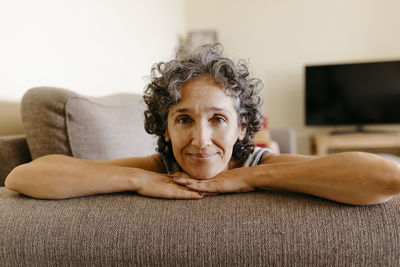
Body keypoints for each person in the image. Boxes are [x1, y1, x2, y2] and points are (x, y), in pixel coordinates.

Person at [5, 44, 400, 205]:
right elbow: (23, 177)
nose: (201, 140)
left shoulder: (257, 163)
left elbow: (387, 175)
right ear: (164, 129)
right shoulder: (159, 169)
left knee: (272, 149)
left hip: (255, 156)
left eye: (219, 119)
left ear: (242, 127)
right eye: (183, 119)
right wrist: (138, 180)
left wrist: (250, 179)